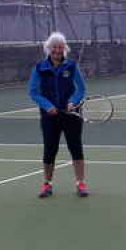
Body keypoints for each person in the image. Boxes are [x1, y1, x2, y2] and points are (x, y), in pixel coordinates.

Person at [27, 31, 89, 198]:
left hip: (71, 115)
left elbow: (81, 89)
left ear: (64, 49)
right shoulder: (40, 68)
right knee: (49, 150)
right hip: (49, 116)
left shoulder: (71, 66)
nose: (57, 50)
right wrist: (47, 106)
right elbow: (33, 92)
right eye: (54, 47)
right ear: (49, 48)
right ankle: (47, 185)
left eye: (60, 47)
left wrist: (73, 102)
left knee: (76, 148)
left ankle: (80, 183)